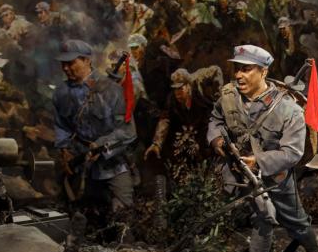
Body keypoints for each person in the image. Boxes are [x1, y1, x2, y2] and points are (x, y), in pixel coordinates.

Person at [206, 44, 318, 252]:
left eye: (246, 69)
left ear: (263, 71)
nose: (239, 75)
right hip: (240, 171)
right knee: (263, 216)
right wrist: (216, 139)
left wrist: (258, 161)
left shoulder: (289, 110)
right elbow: (216, 119)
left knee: (296, 221)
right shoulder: (229, 97)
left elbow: (293, 153)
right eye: (237, 69)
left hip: (276, 176)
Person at [53, 39, 136, 223]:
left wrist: (101, 144)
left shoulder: (111, 90)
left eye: (71, 63)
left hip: (112, 165)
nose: (65, 68)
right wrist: (64, 148)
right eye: (63, 63)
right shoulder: (61, 93)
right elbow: (61, 124)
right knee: (83, 220)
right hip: (82, 168)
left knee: (123, 219)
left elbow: (128, 131)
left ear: (86, 60)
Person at [147, 65, 223, 184]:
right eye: (175, 89)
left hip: (209, 125)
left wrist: (219, 94)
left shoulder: (201, 92)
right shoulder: (172, 100)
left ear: (188, 86)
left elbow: (216, 70)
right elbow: (165, 119)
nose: (177, 93)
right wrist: (157, 143)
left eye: (180, 88)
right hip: (191, 131)